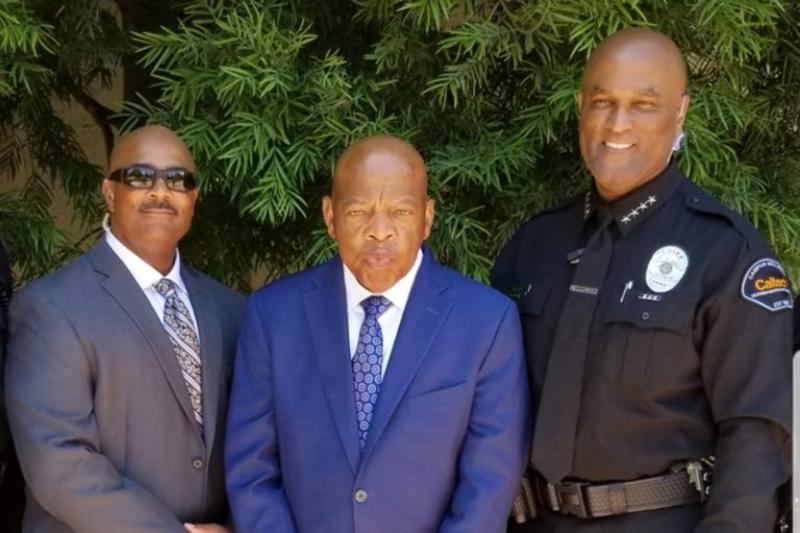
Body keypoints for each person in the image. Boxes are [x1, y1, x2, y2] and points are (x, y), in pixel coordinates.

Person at [492, 28, 793, 532]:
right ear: (580, 106)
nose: (617, 123)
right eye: (603, 101)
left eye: (643, 105)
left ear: (680, 113)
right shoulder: (533, 247)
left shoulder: (725, 255)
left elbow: (756, 436)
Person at [225, 135, 530, 533]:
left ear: (427, 218)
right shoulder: (273, 315)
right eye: (359, 212)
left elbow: (489, 483)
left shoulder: (486, 322)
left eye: (400, 212)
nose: (379, 231)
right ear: (330, 217)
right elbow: (252, 471)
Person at [5, 125, 245, 533]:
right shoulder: (51, 306)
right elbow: (57, 459)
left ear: (193, 198)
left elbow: (256, 444)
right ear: (109, 193)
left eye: (177, 179)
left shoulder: (230, 309)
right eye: (139, 176)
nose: (160, 191)